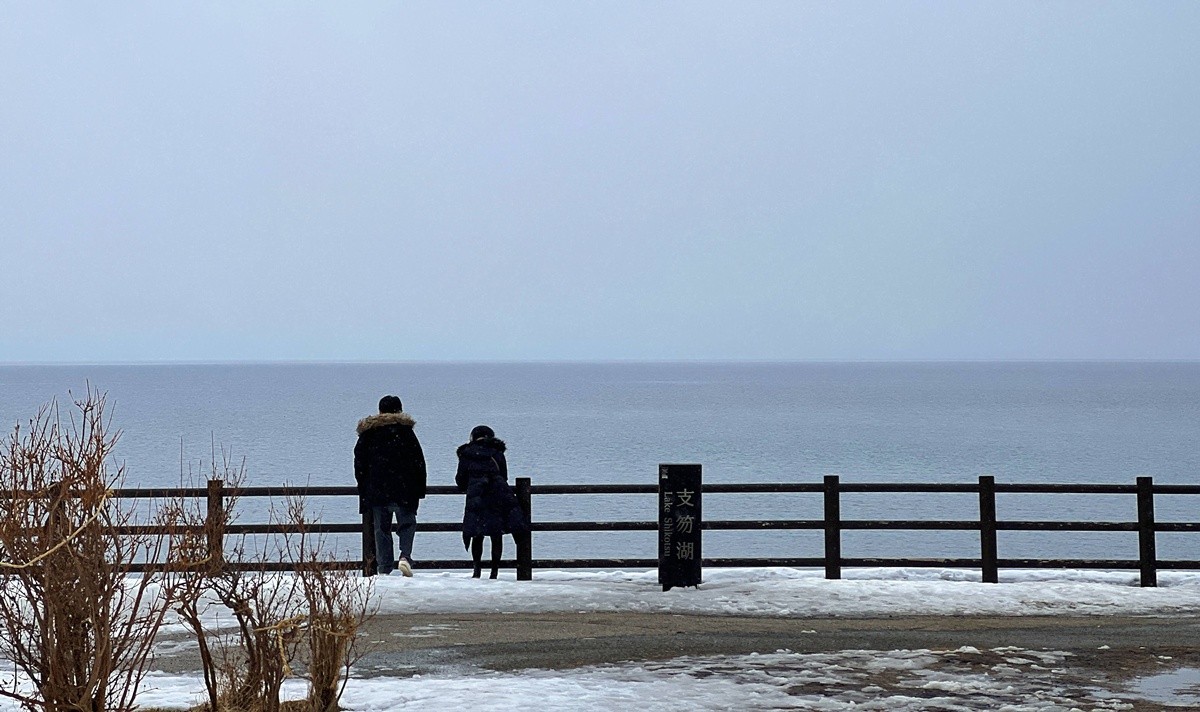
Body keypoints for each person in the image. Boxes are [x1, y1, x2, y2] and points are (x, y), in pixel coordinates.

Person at [354, 395, 426, 576]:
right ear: (400, 411)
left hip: (378, 490)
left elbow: (359, 463)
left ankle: (384, 568)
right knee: (407, 524)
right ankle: (405, 557)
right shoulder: (406, 432)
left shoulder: (369, 433)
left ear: (380, 411)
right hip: (405, 489)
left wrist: (364, 487)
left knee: (381, 530)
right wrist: (419, 489)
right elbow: (419, 461)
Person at [456, 425, 529, 579]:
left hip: (476, 496)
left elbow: (460, 480)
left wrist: (473, 483)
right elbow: (504, 476)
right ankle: (494, 571)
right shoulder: (497, 452)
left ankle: (476, 570)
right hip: (497, 495)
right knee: (496, 533)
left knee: (477, 533)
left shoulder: (467, 453)